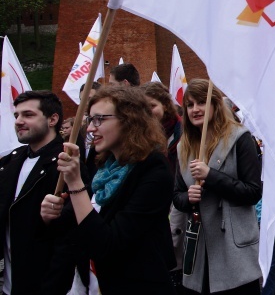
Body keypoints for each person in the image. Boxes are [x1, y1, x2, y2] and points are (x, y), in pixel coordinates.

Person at [41, 86, 176, 294]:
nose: (90, 128)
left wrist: (76, 185)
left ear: (128, 119)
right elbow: (77, 229)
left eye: (99, 119)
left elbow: (107, 244)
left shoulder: (154, 169)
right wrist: (52, 215)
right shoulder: (104, 166)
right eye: (90, 119)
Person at [173, 79, 262, 295]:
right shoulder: (183, 146)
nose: (195, 109)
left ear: (214, 104)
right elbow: (176, 195)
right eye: (190, 104)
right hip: (198, 252)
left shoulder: (240, 139)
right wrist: (188, 197)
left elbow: (252, 192)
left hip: (233, 250)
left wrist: (211, 176)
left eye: (201, 103)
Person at [0, 91, 78, 294]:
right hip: (9, 284)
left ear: (52, 119)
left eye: (28, 115)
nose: (18, 121)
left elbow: (71, 237)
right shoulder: (9, 163)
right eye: (17, 115)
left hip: (43, 285)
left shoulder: (67, 165)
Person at [142, 81, 185, 292]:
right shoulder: (142, 137)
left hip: (179, 209)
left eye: (152, 106)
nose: (148, 112)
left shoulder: (182, 133)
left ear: (165, 105)